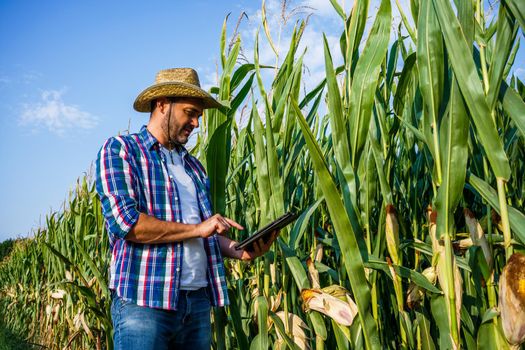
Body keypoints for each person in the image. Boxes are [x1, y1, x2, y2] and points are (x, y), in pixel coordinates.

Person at [95, 68, 276, 349]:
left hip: (197, 303)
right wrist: (198, 229)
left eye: (199, 117)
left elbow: (203, 233)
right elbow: (126, 224)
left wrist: (238, 250)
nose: (196, 123)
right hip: (145, 302)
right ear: (162, 104)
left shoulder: (193, 167)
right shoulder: (121, 151)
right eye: (190, 112)